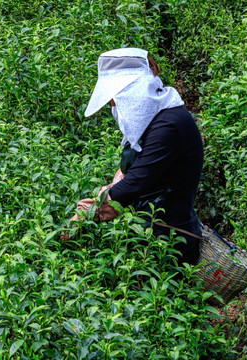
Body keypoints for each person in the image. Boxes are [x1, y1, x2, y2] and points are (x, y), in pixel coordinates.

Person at [70, 47, 204, 266]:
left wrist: (84, 215)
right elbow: (131, 170)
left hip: (169, 243)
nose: (113, 104)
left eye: (116, 97)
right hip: (150, 234)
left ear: (132, 91)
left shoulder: (168, 125)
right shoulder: (156, 120)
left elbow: (136, 182)